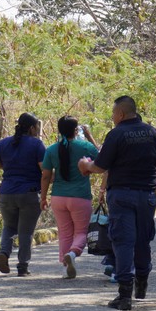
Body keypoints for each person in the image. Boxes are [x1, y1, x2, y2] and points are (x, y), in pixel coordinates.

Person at [78, 96, 156, 310]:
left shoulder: (116, 134)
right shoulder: (153, 132)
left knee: (122, 241)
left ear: (120, 114)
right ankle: (142, 283)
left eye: (113, 114)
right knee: (142, 240)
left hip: (121, 195)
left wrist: (85, 165)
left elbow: (100, 167)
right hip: (147, 195)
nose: (112, 118)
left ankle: (125, 294)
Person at [41, 115, 99, 279]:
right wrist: (89, 137)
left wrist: (43, 197)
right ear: (76, 130)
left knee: (65, 233)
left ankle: (66, 266)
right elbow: (102, 161)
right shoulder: (85, 146)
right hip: (80, 197)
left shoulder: (51, 149)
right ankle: (73, 254)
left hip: (58, 197)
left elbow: (45, 176)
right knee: (81, 231)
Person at [0, 113, 46, 277]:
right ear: (32, 128)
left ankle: (4, 253)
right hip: (29, 193)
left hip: (6, 192)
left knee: (9, 226)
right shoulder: (37, 144)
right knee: (26, 232)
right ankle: (22, 266)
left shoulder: (5, 142)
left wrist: (7, 166)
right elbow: (44, 168)